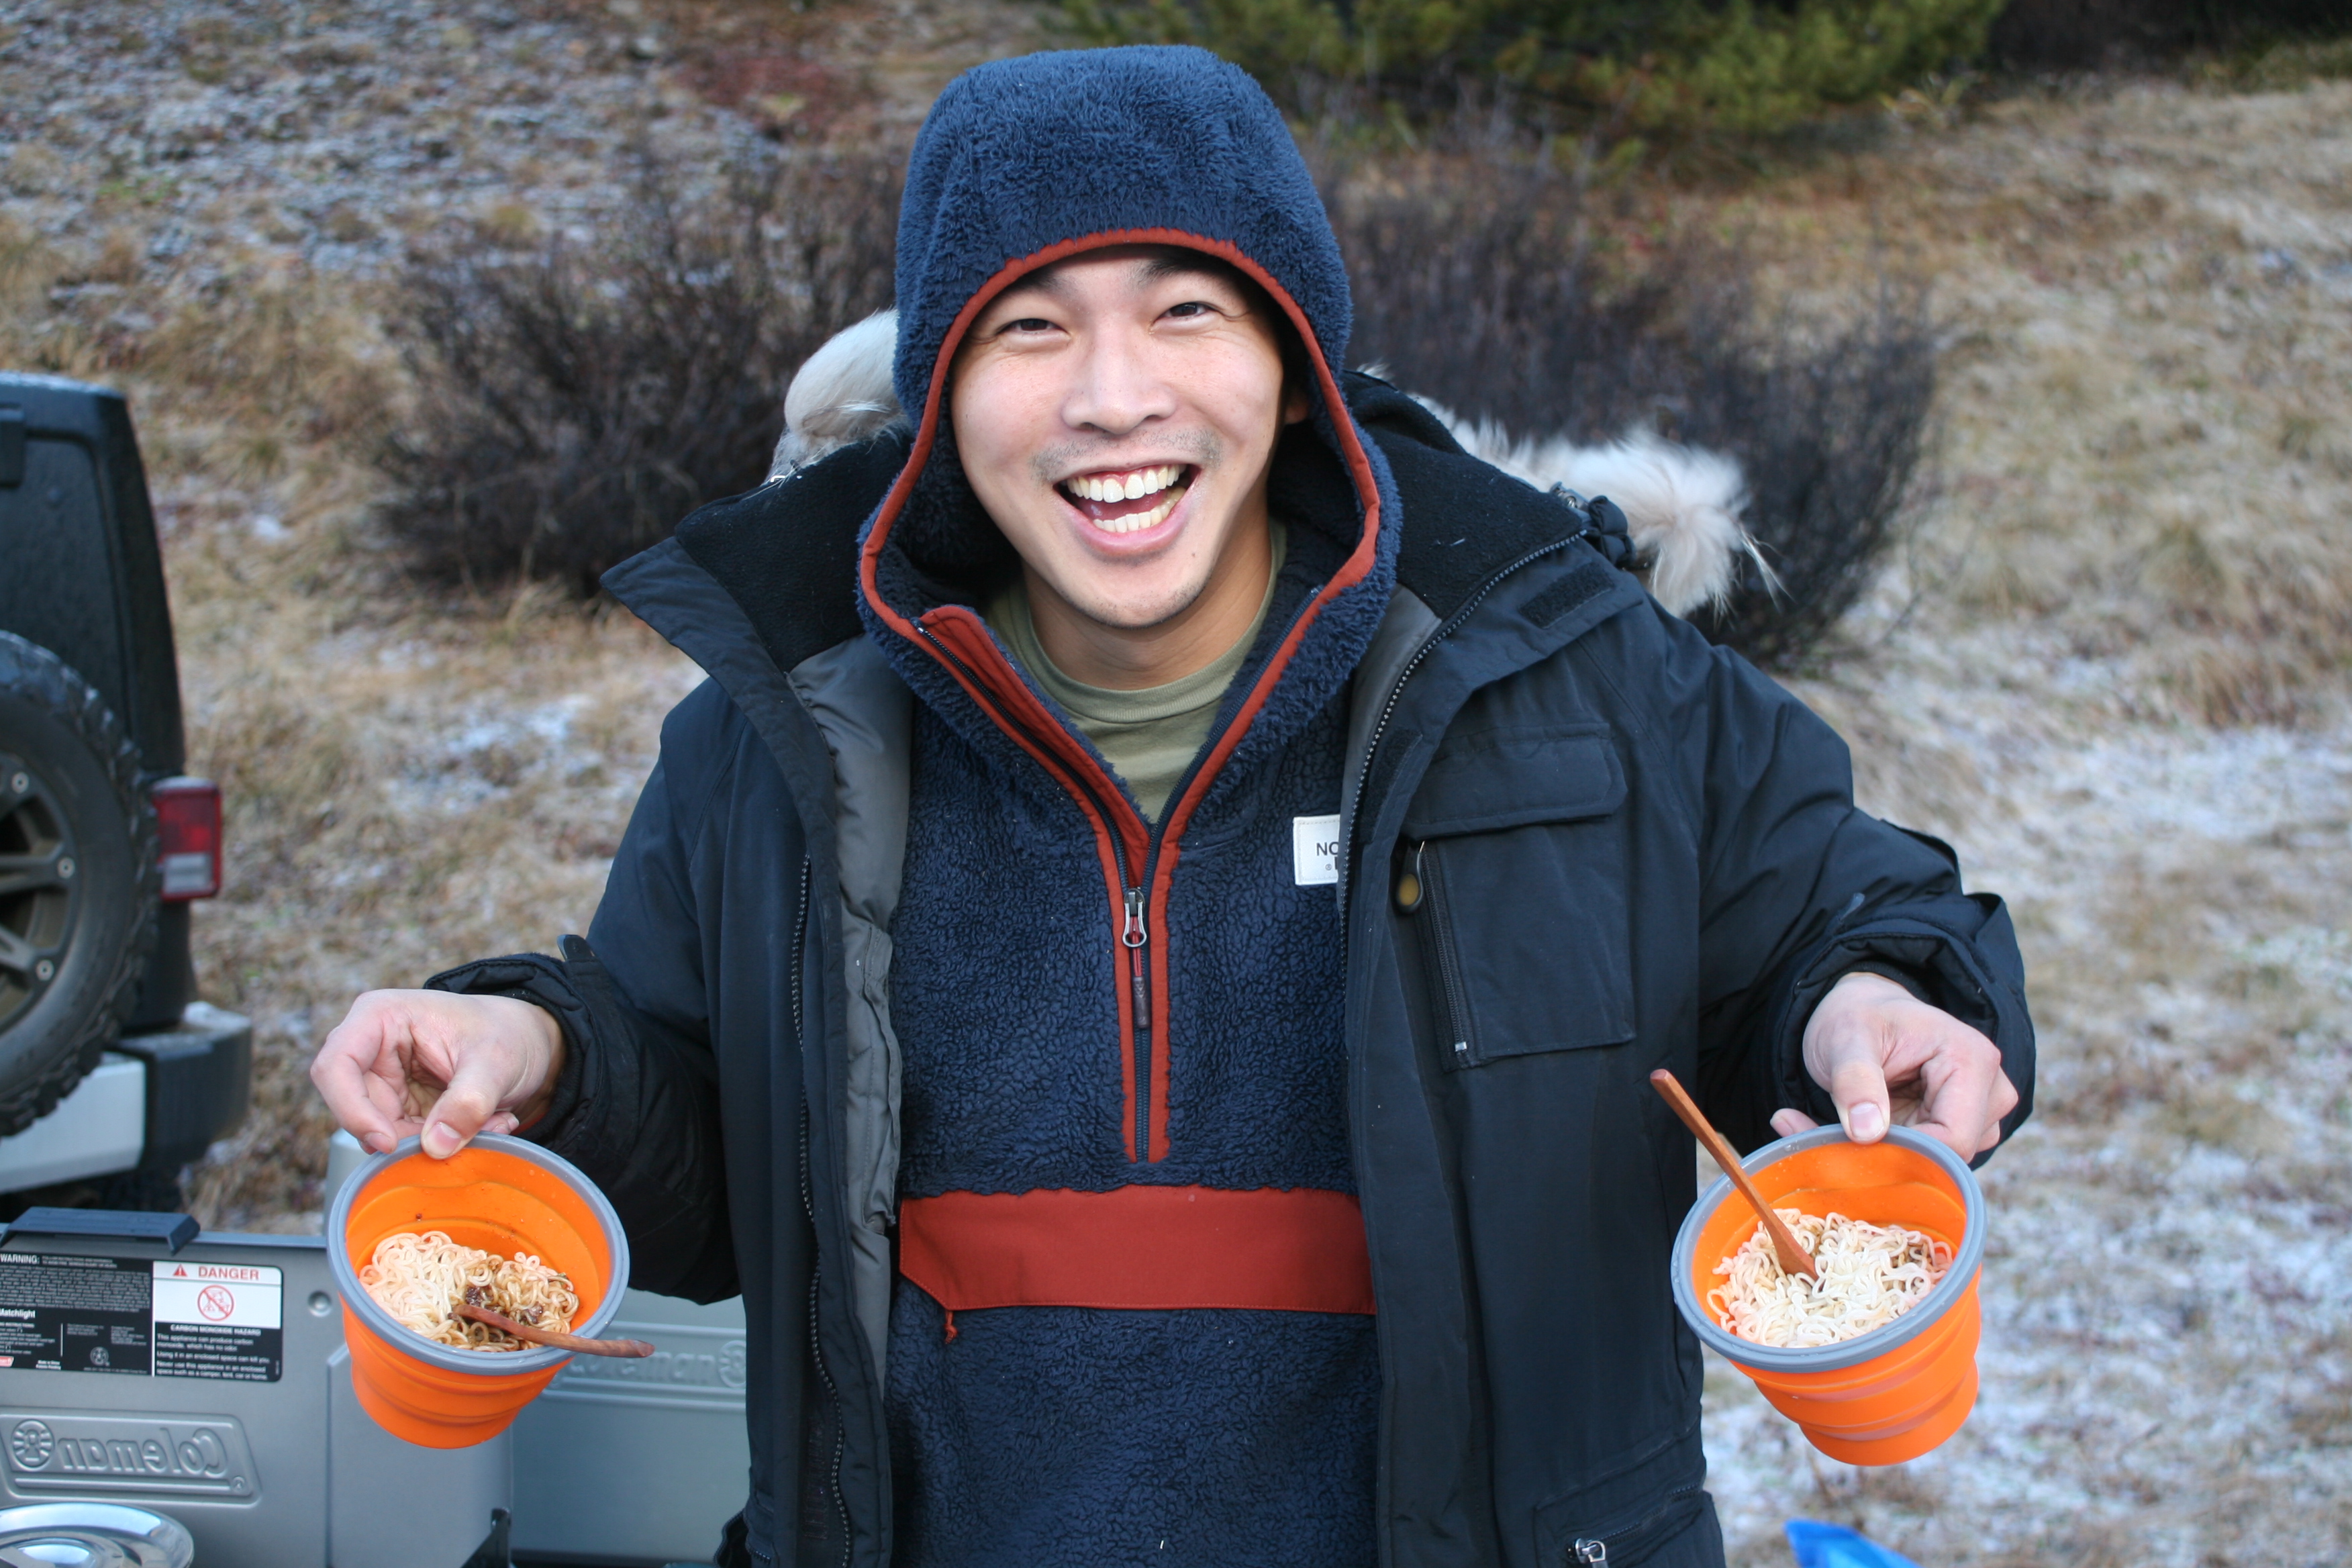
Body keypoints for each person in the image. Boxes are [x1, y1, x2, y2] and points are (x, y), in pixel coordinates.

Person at [311, 45, 2032, 1568]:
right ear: (940, 392)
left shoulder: (1568, 674)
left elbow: (1839, 916)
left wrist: (1876, 1000)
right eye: (1028, 327)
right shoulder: (787, 734)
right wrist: (542, 1056)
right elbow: (705, 1164)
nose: (1112, 394)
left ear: (1294, 359)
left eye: (1187, 311)